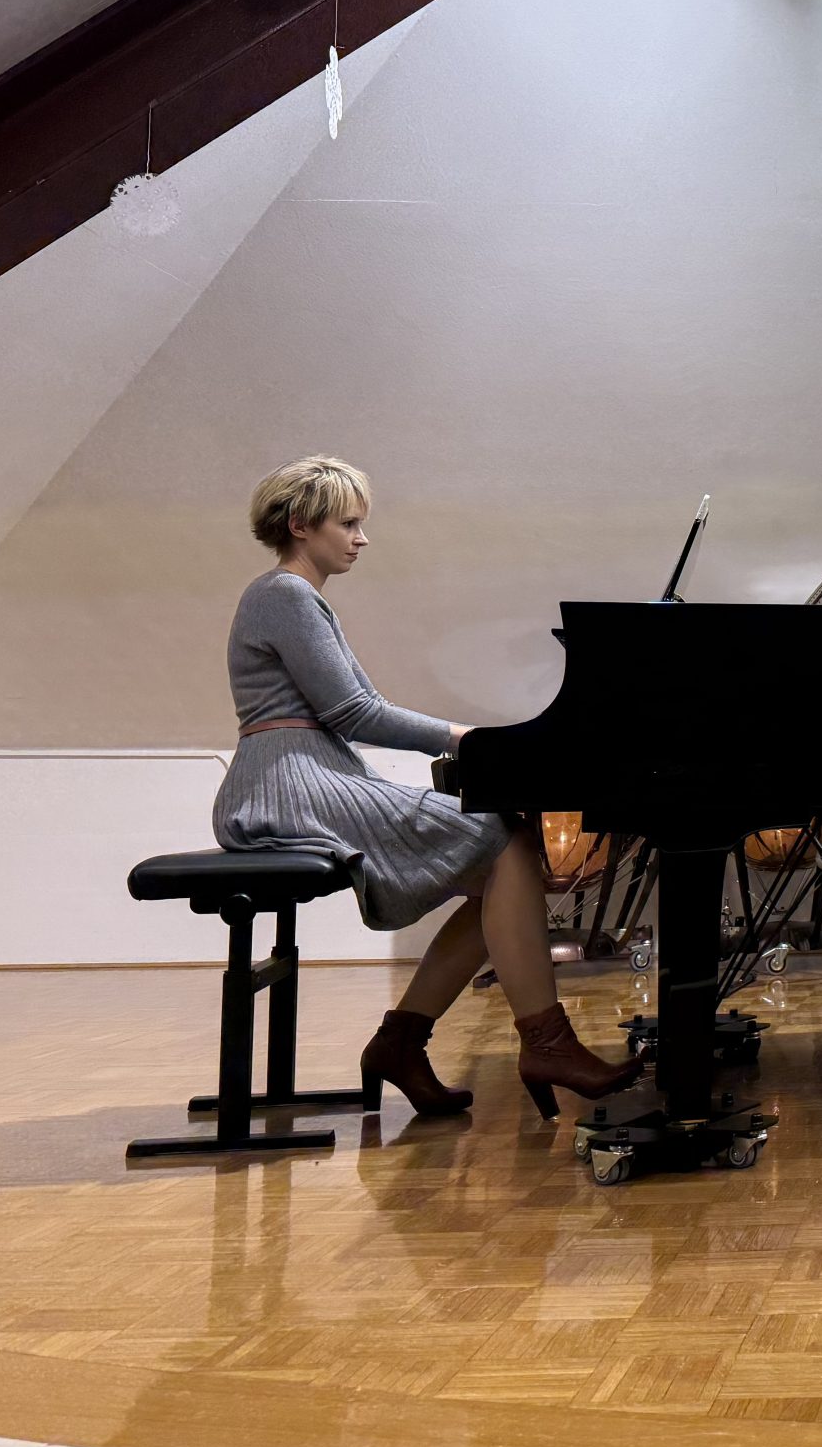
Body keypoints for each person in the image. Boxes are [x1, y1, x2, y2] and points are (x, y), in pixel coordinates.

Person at [212, 457, 641, 1118]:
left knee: (500, 866)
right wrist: (465, 737)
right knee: (502, 843)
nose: (362, 538)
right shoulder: (285, 595)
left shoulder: (294, 597)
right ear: (300, 524)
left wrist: (468, 738)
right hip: (286, 784)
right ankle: (545, 1044)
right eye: (348, 524)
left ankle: (403, 1043)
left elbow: (352, 709)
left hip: (303, 773)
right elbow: (355, 712)